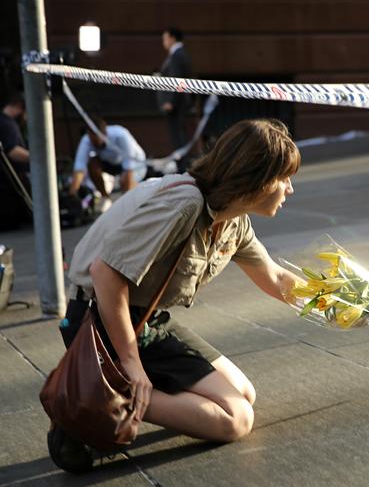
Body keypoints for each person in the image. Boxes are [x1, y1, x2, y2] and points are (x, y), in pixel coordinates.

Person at [48, 119, 302, 472]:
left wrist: (340, 300)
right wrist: (133, 366)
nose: (289, 189)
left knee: (244, 393)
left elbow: (274, 277)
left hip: (145, 319)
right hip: (101, 320)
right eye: (283, 178)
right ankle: (97, 397)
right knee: (236, 419)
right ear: (254, 178)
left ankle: (123, 393)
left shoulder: (233, 219)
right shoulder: (183, 205)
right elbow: (104, 275)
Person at [69, 115, 148, 213]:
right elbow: (79, 169)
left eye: (96, 139)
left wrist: (125, 200)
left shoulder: (121, 135)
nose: (93, 143)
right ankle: (105, 198)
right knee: (92, 164)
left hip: (136, 165)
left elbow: (129, 169)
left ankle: (129, 205)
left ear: (104, 134)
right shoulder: (87, 140)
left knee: (125, 182)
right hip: (112, 164)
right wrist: (72, 194)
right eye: (91, 138)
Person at [157, 27, 192, 171]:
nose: (163, 42)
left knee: (178, 136)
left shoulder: (178, 54)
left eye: (165, 38)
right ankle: (182, 167)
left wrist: (170, 102)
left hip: (177, 104)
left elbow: (176, 80)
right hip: (177, 103)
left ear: (172, 38)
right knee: (177, 136)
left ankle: (183, 168)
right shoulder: (176, 54)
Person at [0, 93, 31, 229]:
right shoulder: (8, 125)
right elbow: (13, 151)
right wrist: (40, 157)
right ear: (19, 107)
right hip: (10, 186)